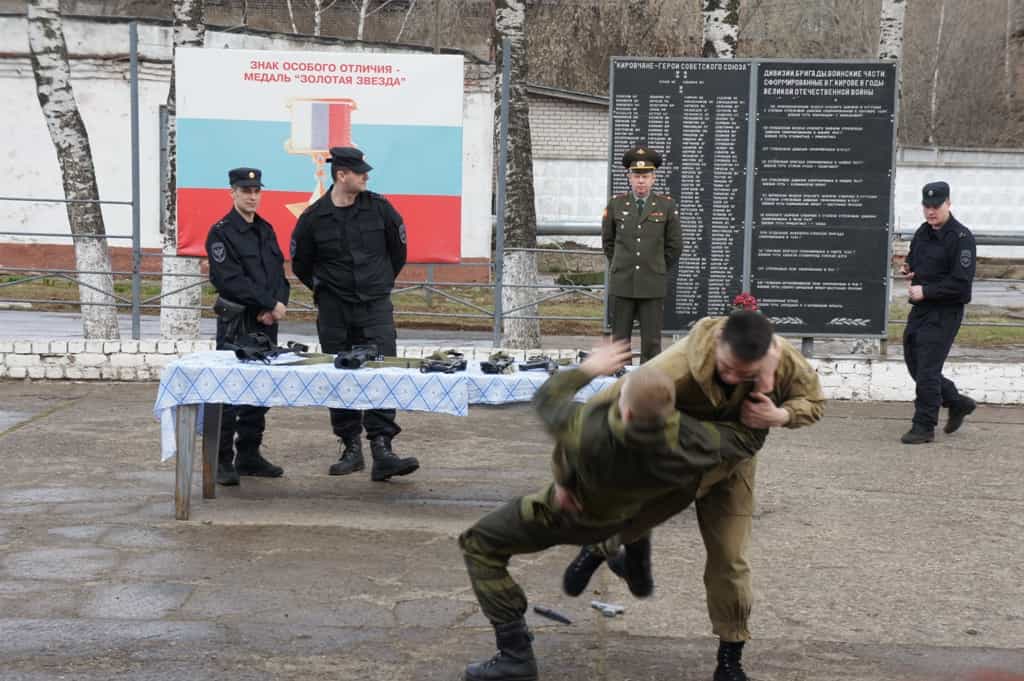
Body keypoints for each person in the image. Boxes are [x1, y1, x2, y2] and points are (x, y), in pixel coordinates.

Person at [459, 310, 822, 681]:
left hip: (711, 470)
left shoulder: (596, 429)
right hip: (690, 462)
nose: (733, 378)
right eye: (729, 368)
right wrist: (765, 394)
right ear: (716, 345)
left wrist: (779, 413)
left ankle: (728, 657)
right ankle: (617, 547)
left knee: (728, 561)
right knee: (647, 506)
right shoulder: (677, 389)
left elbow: (562, 411)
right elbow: (742, 438)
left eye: (746, 373)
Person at [290, 146, 419, 481]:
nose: (366, 176)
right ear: (341, 175)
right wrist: (327, 291)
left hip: (374, 305)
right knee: (340, 375)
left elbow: (398, 252)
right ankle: (350, 448)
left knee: (382, 372)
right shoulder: (314, 218)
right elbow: (302, 264)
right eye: (360, 171)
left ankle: (382, 450)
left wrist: (378, 283)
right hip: (335, 309)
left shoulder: (380, 209)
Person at [206, 167, 290, 486]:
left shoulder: (265, 230)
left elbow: (278, 276)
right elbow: (228, 279)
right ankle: (222, 460)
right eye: (245, 191)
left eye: (256, 191)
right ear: (232, 193)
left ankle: (249, 455)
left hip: (266, 324)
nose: (252, 196)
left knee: (260, 389)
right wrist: (267, 305)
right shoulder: (222, 232)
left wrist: (277, 307)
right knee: (228, 392)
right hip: (237, 322)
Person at [898, 181, 977, 445]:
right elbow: (915, 259)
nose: (931, 211)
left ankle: (923, 426)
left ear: (948, 204)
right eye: (927, 206)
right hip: (921, 309)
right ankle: (957, 402)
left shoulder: (961, 238)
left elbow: (961, 284)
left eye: (936, 206)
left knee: (928, 369)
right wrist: (909, 269)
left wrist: (927, 291)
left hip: (945, 312)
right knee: (914, 363)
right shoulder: (923, 232)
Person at [601, 144, 682, 363]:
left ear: (653, 178)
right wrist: (620, 263)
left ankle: (647, 386)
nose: (641, 181)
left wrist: (656, 265)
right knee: (619, 341)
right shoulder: (616, 204)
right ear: (629, 177)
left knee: (652, 342)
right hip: (623, 281)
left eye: (645, 176)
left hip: (651, 281)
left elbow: (675, 245)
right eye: (636, 176)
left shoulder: (666, 206)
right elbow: (608, 242)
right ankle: (618, 382)